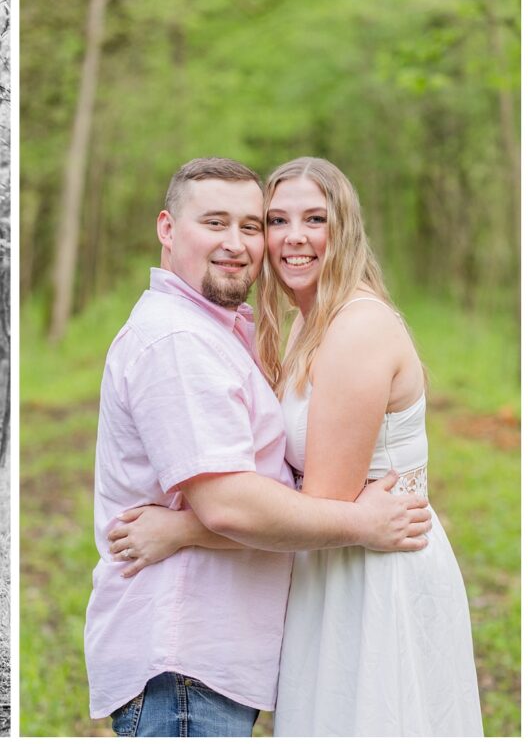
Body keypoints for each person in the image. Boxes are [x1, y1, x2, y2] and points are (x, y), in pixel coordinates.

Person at [109, 157, 482, 735]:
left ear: (346, 229)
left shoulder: (355, 327)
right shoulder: (296, 327)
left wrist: (182, 528)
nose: (292, 237)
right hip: (329, 563)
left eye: (315, 218)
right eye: (277, 220)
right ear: (167, 228)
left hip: (368, 574)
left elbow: (328, 503)